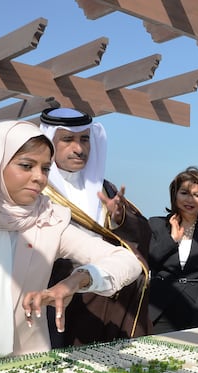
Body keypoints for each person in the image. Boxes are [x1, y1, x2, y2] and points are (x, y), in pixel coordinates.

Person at [0, 120, 142, 368]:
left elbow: (127, 261)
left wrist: (76, 281)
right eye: (26, 166)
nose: (39, 178)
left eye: (46, 169)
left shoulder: (49, 220)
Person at [39, 107, 151, 347]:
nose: (79, 148)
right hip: (55, 299)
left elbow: (141, 240)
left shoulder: (105, 189)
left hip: (103, 298)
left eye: (85, 139)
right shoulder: (37, 191)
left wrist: (120, 218)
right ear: (49, 142)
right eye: (68, 139)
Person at [147, 167, 198, 334]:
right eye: (184, 193)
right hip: (160, 309)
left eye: (196, 195)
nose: (190, 200)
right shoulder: (155, 224)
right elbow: (149, 261)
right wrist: (172, 239)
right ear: (175, 194)